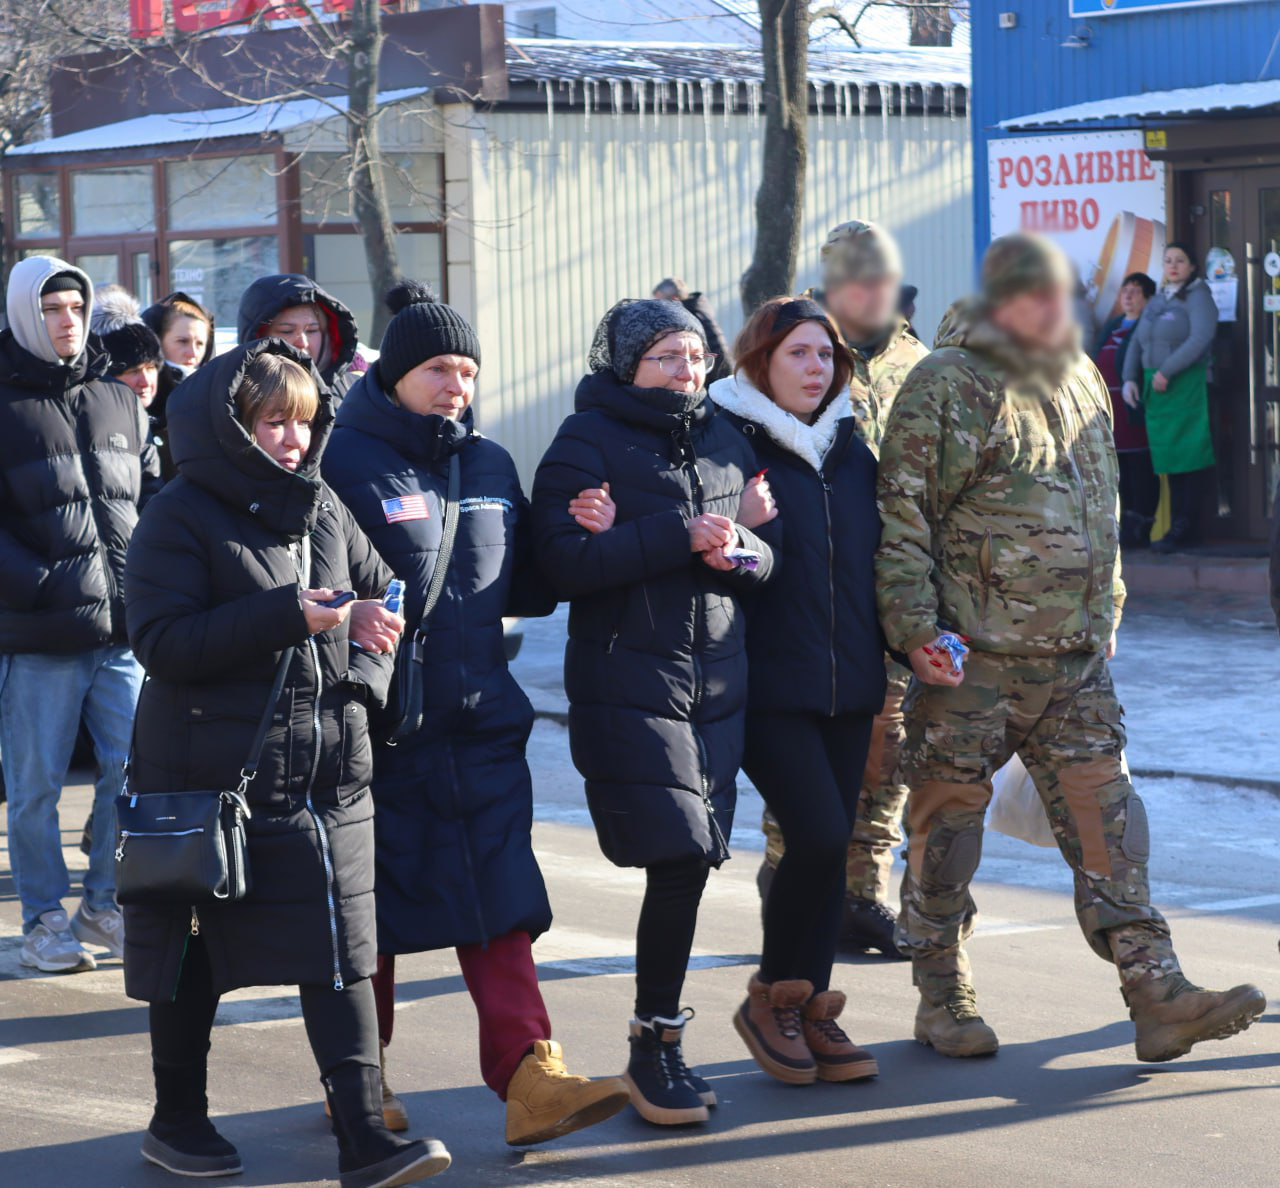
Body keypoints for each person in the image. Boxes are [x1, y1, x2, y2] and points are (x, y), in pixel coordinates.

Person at [876, 231, 1264, 1063]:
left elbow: (1104, 505)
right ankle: (942, 993)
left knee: (1110, 824)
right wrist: (913, 635)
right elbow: (902, 518)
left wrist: (1110, 602)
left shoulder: (1080, 374)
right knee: (948, 831)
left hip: (1076, 660)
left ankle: (1156, 992)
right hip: (971, 660)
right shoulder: (946, 382)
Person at [122, 339, 450, 1186]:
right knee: (195, 959)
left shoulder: (325, 506)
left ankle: (363, 1140)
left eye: (302, 423)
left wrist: (371, 665)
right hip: (210, 781)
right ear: (230, 426)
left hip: (326, 781)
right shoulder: (178, 513)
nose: (292, 442)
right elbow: (160, 643)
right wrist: (287, 616)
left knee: (340, 954)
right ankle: (177, 1121)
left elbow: (388, 595)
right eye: (272, 422)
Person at [322, 281, 631, 1146]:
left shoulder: (489, 463)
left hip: (481, 721)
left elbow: (524, 581)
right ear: (393, 375)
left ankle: (533, 1078)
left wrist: (582, 529)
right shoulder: (342, 460)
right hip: (380, 729)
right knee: (368, 912)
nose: (456, 384)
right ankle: (360, 1080)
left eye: (466, 369)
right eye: (437, 369)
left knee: (499, 899)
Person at [531, 298, 774, 1126]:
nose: (686, 370)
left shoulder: (725, 437)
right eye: (667, 357)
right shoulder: (585, 441)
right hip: (631, 680)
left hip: (719, 683)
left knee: (698, 857)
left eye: (696, 355)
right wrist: (680, 532)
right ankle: (655, 1042)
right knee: (677, 856)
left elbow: (767, 556)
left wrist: (743, 549)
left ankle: (658, 1038)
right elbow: (560, 565)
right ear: (627, 364)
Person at [708, 297, 885, 1086]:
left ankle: (811, 1008)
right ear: (759, 364)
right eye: (798, 355)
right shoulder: (724, 444)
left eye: (826, 356)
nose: (816, 369)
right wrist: (744, 524)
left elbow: (876, 559)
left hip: (849, 680)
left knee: (834, 847)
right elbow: (706, 556)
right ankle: (769, 999)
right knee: (813, 834)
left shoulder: (852, 450)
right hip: (765, 681)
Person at [760, 219, 928, 959]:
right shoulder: (801, 352)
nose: (868, 291)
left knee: (886, 756)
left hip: (894, 592)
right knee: (811, 770)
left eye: (879, 277)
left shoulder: (926, 367)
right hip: (813, 595)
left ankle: (863, 894)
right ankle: (787, 872)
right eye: (852, 277)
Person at [0, 256, 158, 975]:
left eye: (77, 308)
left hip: (122, 629)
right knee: (33, 786)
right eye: (54, 309)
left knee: (133, 769)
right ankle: (42, 918)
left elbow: (142, 506)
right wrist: (39, 584)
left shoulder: (118, 399)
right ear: (26, 312)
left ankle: (103, 901)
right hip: (39, 633)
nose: (68, 322)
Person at [1122, 242, 1219, 553]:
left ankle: (1185, 527)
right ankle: (1176, 527)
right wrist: (1128, 379)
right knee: (1168, 459)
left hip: (1183, 384)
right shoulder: (1159, 299)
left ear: (1192, 267)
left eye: (1180, 260)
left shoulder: (1199, 297)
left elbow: (1201, 337)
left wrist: (1167, 370)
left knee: (1188, 457)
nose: (1173, 266)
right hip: (1157, 387)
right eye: (1168, 261)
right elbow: (1137, 340)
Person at [1092, 272, 1159, 549]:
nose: (1129, 296)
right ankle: (1122, 528)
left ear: (1148, 299)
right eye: (1125, 290)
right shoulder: (1112, 326)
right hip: (1111, 414)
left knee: (1140, 471)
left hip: (1135, 411)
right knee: (1119, 473)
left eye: (1136, 291)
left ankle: (1141, 527)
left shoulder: (1149, 326)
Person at [238, 273, 363, 407]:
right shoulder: (234, 397)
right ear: (258, 337)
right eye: (287, 331)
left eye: (312, 330)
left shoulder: (356, 392)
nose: (302, 342)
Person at [93, 288, 172, 476]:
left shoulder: (173, 419)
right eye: (133, 371)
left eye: (151, 368)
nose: (145, 381)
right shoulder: (100, 431)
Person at [141, 290, 215, 406]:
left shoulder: (219, 394)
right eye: (182, 341)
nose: (193, 353)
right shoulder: (140, 394)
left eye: (200, 344)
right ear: (157, 342)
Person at [653, 277, 733, 383]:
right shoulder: (696, 307)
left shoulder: (691, 317)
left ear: (675, 300)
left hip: (712, 375)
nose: (658, 307)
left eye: (660, 302)